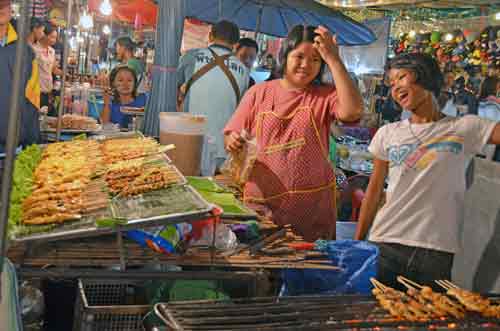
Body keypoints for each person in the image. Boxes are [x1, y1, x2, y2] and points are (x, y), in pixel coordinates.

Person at [354, 53, 500, 289]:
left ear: (425, 77)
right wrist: (357, 242)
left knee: (429, 320)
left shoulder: (464, 128)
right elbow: (373, 192)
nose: (396, 87)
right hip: (386, 243)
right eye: (391, 83)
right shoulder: (388, 133)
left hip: (437, 251)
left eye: (402, 77)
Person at [224, 25, 362, 241]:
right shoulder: (259, 92)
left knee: (307, 270)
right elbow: (232, 133)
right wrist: (232, 140)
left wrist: (335, 60)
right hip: (263, 207)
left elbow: (352, 111)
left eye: (316, 59)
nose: (306, 65)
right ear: (285, 55)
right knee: (263, 269)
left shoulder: (325, 96)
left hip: (311, 211)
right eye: (299, 56)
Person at [177, 20, 250, 171]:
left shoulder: (190, 57)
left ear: (210, 35)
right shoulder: (244, 70)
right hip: (224, 147)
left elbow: (174, 88)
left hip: (190, 141)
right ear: (236, 43)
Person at [0, 0, 40, 153]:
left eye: (4, 5)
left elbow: (32, 99)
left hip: (13, 147)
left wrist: (32, 142)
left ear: (11, 9)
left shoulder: (26, 52)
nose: (1, 9)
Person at [101, 65, 147, 129]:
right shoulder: (110, 104)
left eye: (129, 80)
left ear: (135, 83)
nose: (125, 84)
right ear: (113, 83)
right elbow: (104, 125)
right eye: (120, 80)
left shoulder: (144, 99)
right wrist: (106, 103)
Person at [32, 22, 62, 116]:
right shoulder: (34, 49)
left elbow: (53, 69)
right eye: (52, 37)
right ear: (44, 35)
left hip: (48, 91)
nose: (54, 40)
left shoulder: (52, 51)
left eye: (55, 37)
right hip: (36, 91)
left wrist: (64, 73)